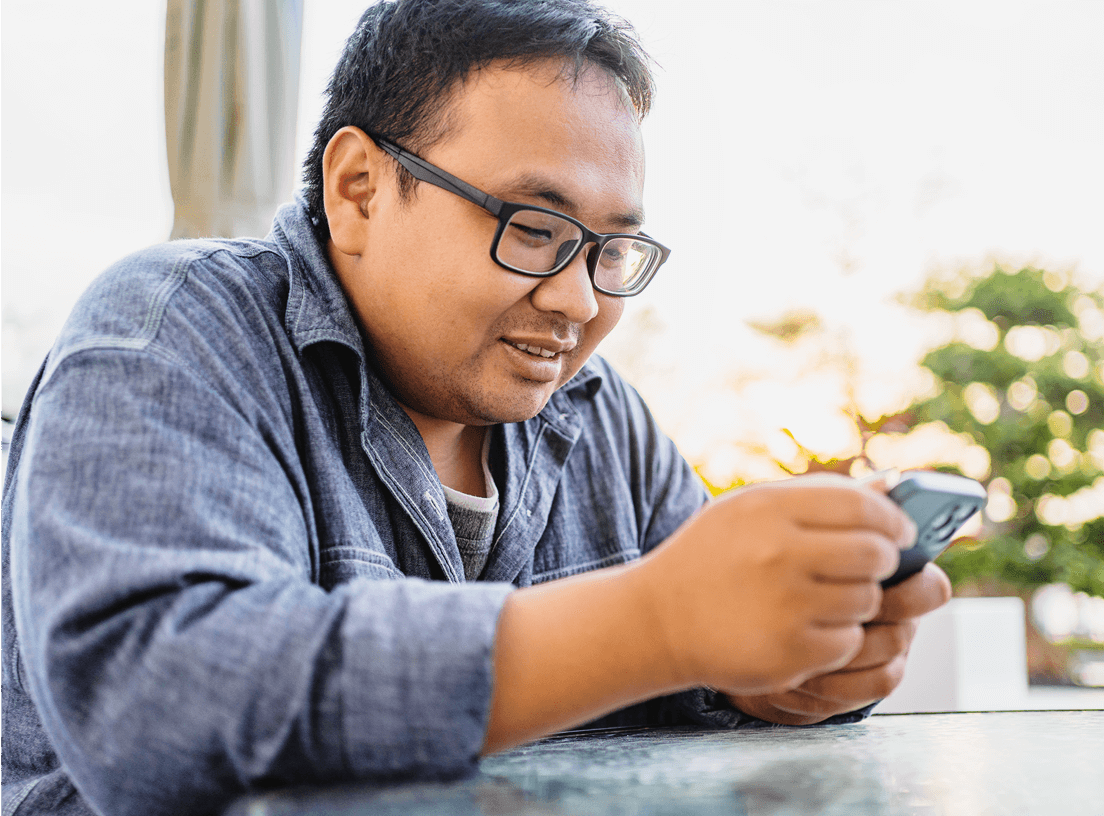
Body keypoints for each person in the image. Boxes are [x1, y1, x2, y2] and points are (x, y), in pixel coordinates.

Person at [0, 1, 950, 814]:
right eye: (533, 228)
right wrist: (653, 628)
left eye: (611, 251)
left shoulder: (596, 415)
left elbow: (703, 646)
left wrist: (777, 675)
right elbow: (156, 703)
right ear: (359, 189)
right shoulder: (175, 331)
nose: (579, 303)